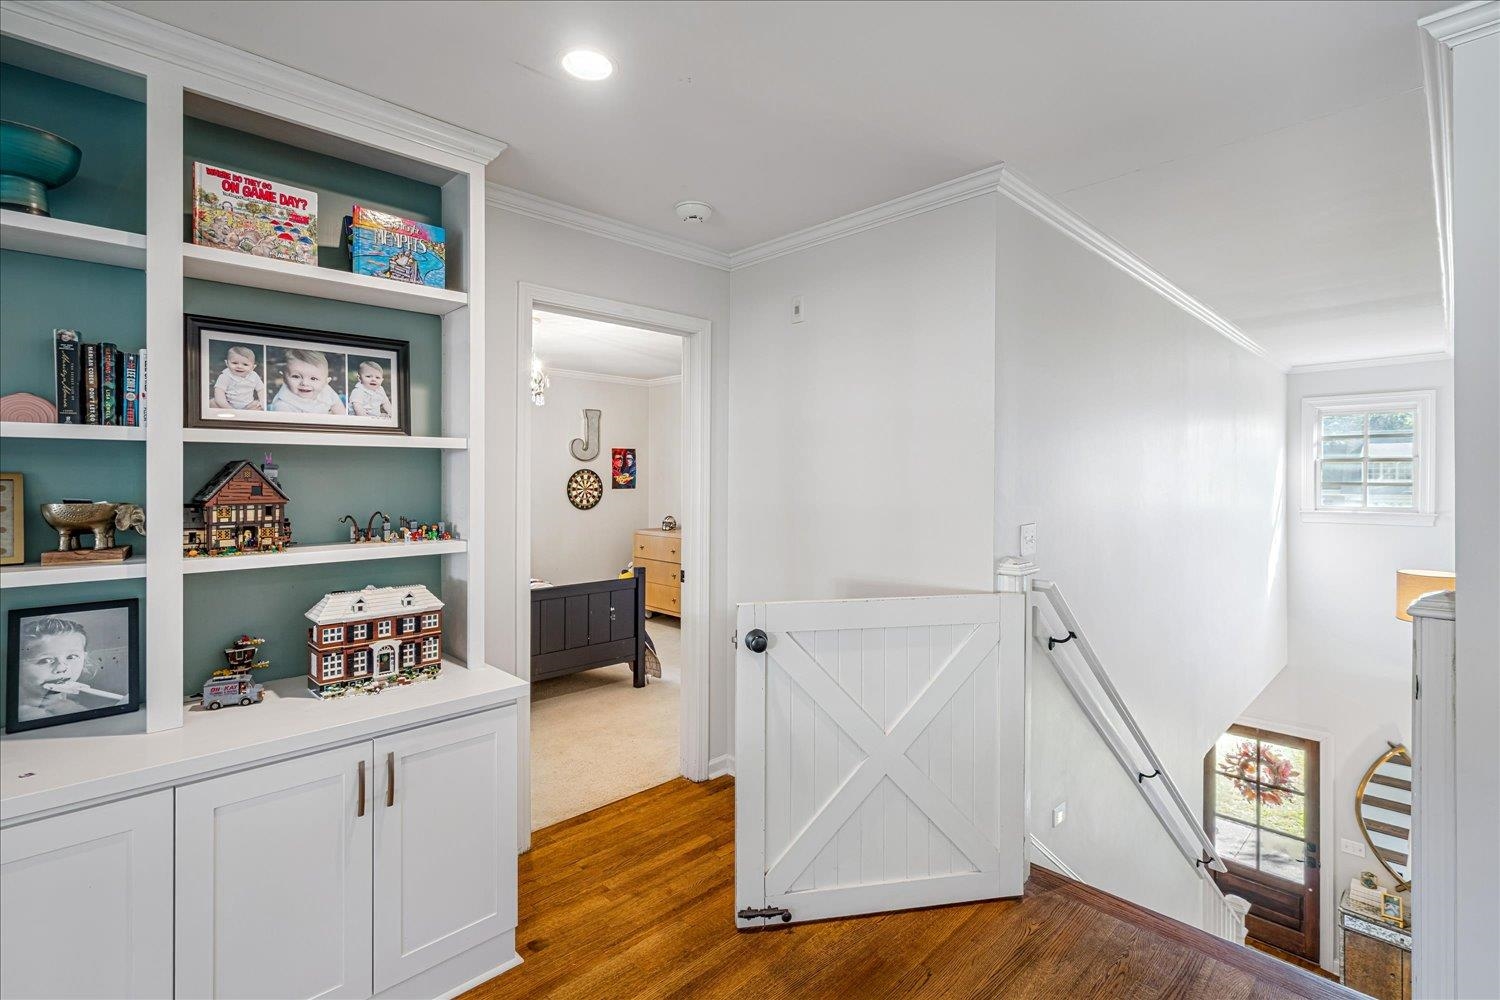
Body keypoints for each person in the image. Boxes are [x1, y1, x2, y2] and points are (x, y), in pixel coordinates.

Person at [15, 617, 126, 722]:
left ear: (84, 658)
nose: (62, 668)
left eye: (72, 657)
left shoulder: (68, 704)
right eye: (46, 660)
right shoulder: (26, 715)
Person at [270, 349, 346, 414]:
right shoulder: (283, 405)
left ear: (326, 382)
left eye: (313, 378)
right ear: (284, 378)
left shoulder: (326, 390)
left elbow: (342, 414)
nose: (304, 383)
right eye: (296, 376)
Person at [211, 345, 266, 410]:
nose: (239, 366)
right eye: (235, 363)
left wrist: (262, 402)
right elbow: (219, 394)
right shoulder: (225, 376)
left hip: (248, 405)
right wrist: (229, 408)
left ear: (253, 367)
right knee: (212, 402)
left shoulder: (254, 376)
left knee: (257, 405)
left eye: (245, 364)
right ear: (227, 363)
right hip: (227, 404)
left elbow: (261, 390)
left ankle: (245, 415)